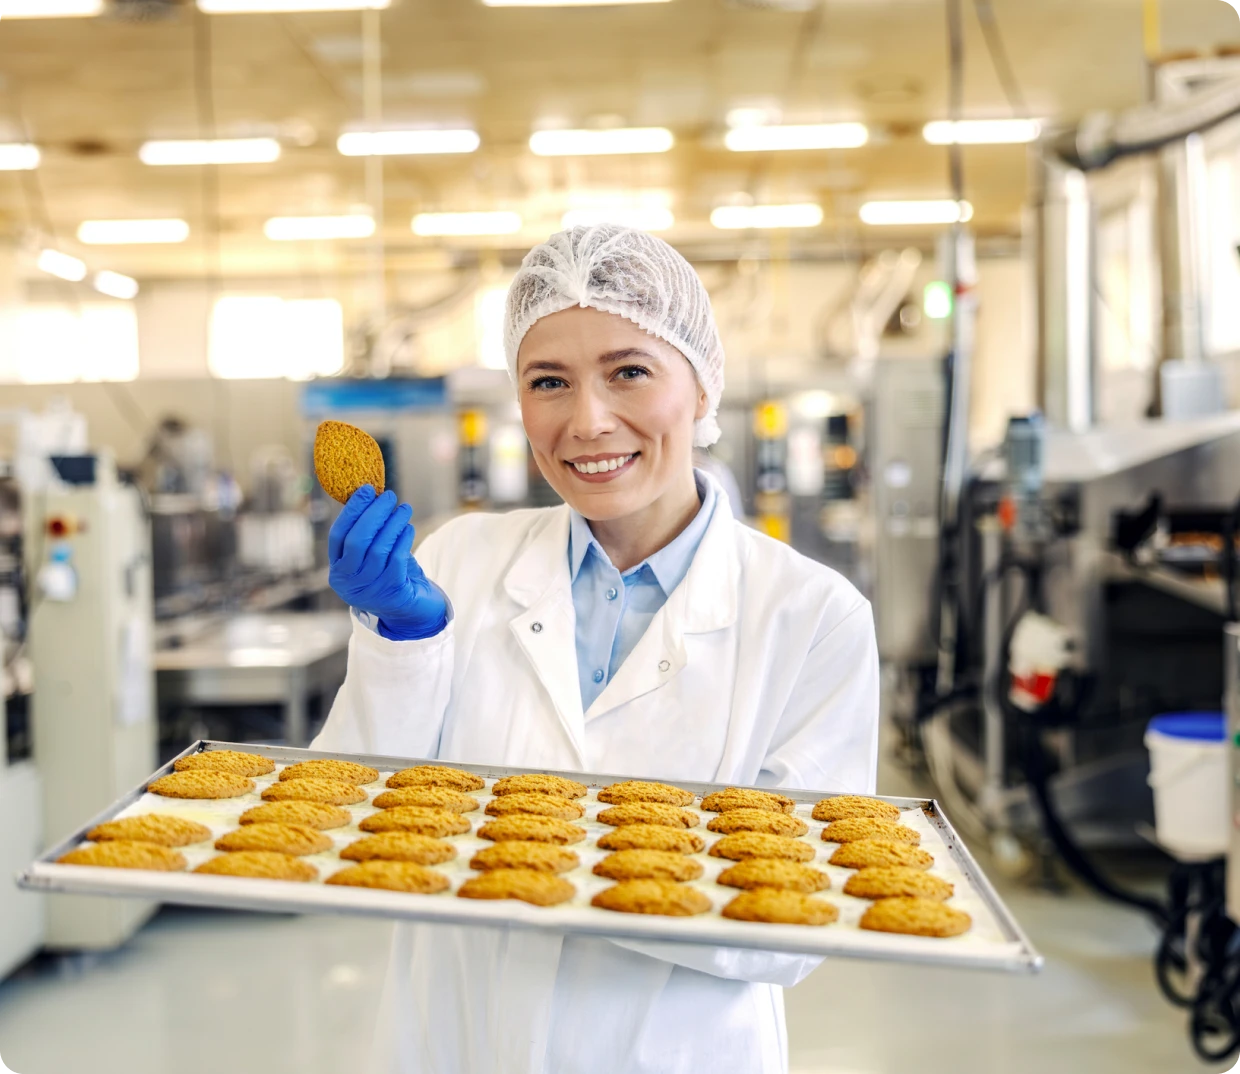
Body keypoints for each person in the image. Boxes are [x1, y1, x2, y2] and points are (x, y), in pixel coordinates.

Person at [311, 224, 880, 1074]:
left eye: (629, 372)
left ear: (699, 388)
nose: (587, 421)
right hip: (459, 1044)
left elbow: (791, 927)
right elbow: (346, 825)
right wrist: (408, 641)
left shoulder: (811, 615)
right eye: (549, 381)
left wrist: (555, 872)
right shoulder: (457, 565)